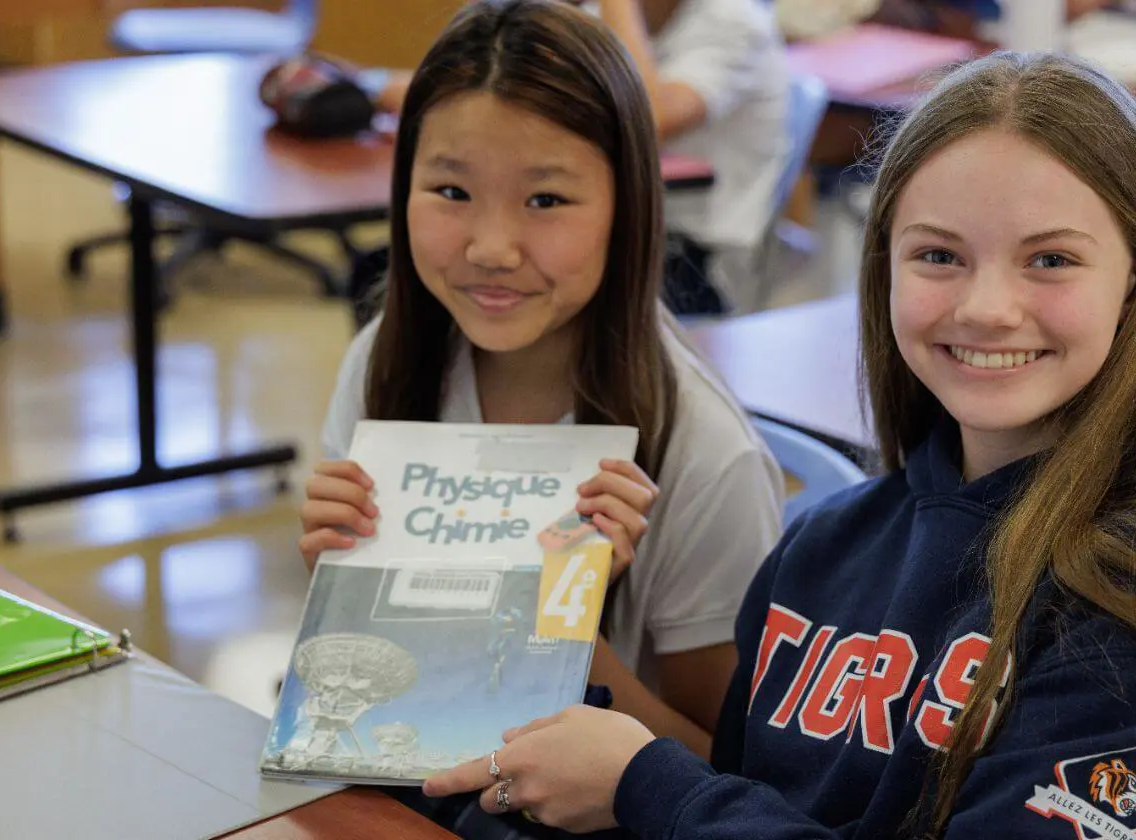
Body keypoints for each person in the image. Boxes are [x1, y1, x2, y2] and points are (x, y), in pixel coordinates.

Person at [423, 51, 1136, 840]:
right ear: (881, 267)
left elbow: (692, 805)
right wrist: (566, 657)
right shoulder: (826, 543)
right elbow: (745, 798)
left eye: (1050, 259)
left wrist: (646, 785)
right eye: (938, 255)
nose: (985, 306)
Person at [301, 0, 784, 769]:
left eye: (547, 201)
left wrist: (560, 646)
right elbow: (399, 700)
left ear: (626, 208)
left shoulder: (704, 454)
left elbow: (735, 780)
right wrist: (340, 585)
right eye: (451, 193)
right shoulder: (382, 364)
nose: (492, 248)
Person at [375, 0, 790, 316]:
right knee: (382, 273)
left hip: (692, 256)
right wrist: (368, 85)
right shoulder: (598, 16)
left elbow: (644, 120)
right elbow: (492, 84)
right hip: (590, 226)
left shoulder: (735, 21)